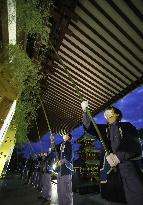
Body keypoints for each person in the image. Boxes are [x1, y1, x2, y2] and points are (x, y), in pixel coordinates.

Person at [81, 101, 143, 205]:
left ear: (117, 114)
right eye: (106, 112)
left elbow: (133, 143)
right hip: (111, 169)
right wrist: (85, 112)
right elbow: (89, 127)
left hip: (127, 166)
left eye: (110, 110)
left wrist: (118, 157)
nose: (107, 112)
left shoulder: (126, 126)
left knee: (134, 195)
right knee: (114, 197)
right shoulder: (104, 129)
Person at [57, 132, 73, 205]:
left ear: (68, 137)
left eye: (65, 134)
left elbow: (70, 156)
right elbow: (55, 149)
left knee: (66, 191)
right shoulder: (62, 144)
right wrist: (52, 141)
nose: (63, 135)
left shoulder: (69, 144)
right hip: (60, 170)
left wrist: (63, 161)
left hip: (66, 170)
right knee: (60, 190)